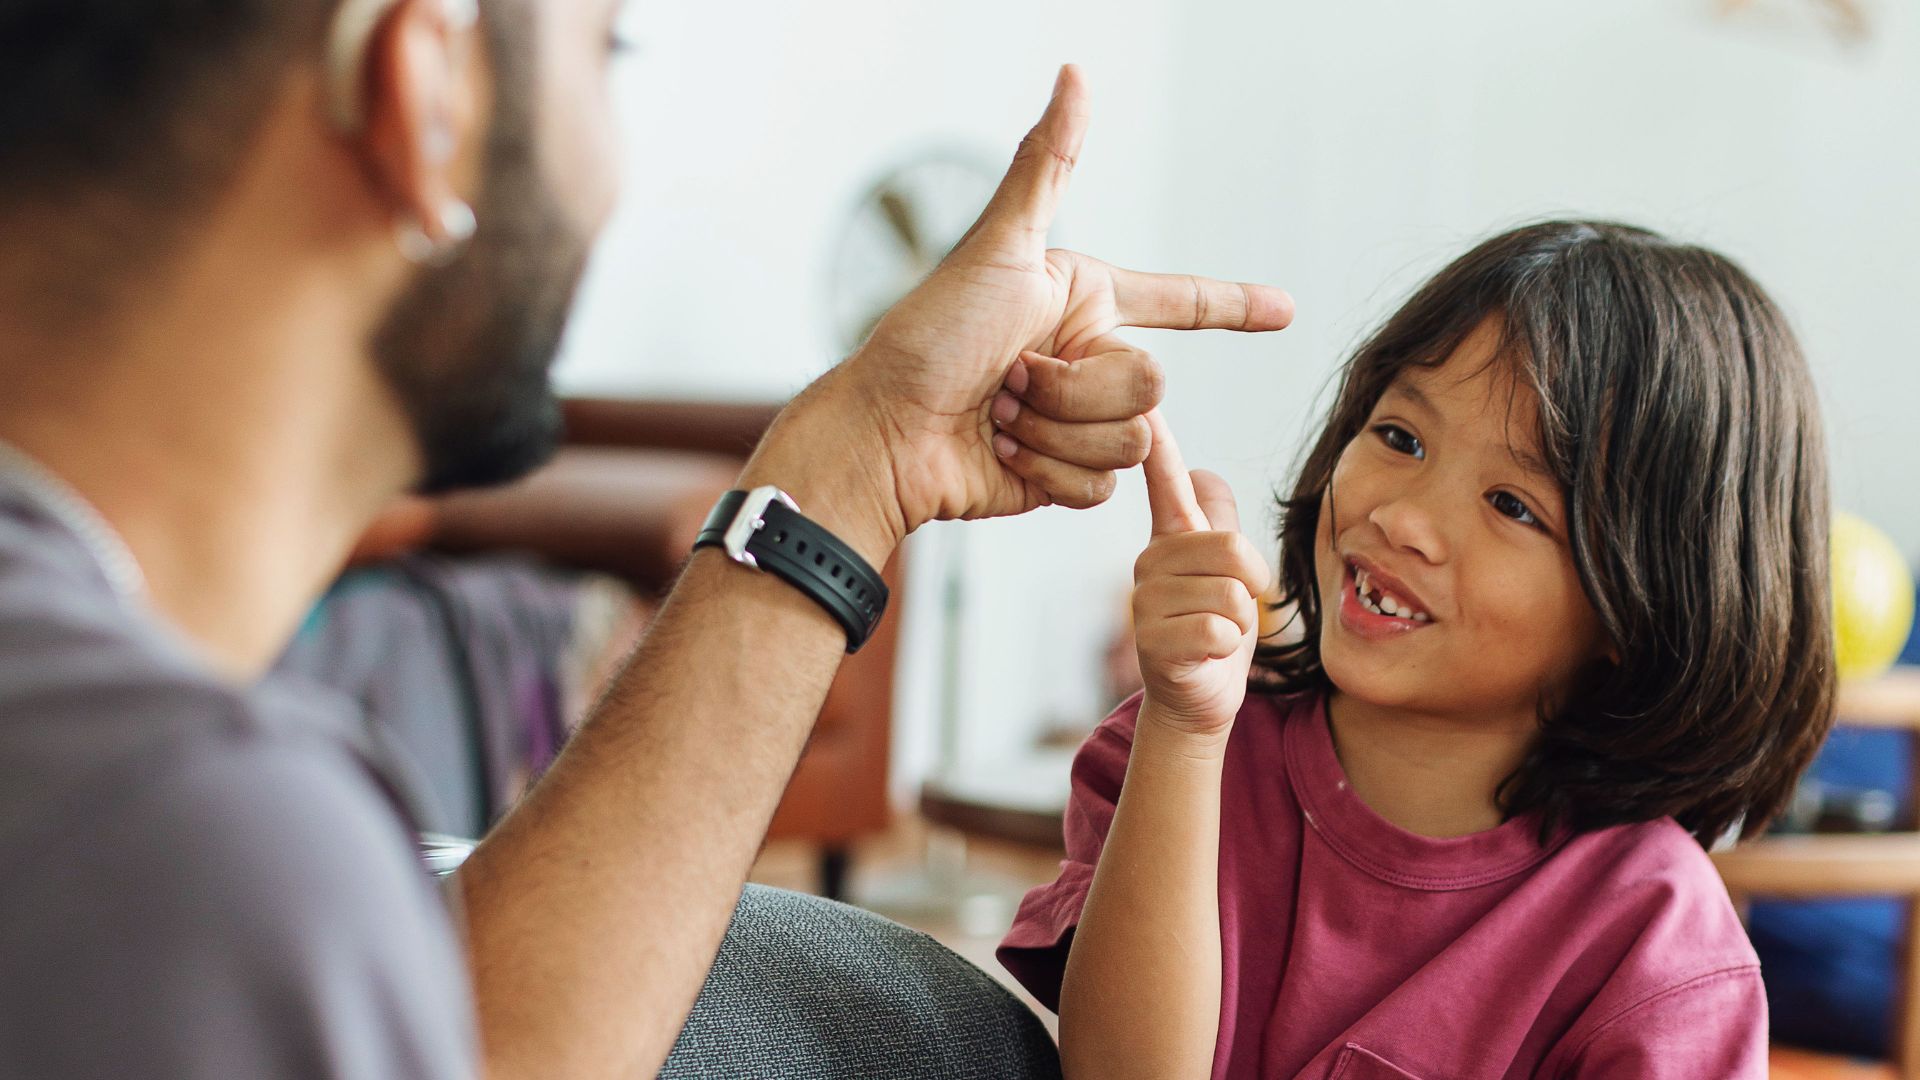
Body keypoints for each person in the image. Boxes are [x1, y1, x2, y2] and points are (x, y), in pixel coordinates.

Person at [0, 0, 1295, 1076]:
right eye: (603, 52)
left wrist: (864, 453)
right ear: (421, 85)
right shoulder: (197, 840)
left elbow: (496, 1050)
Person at [999, 221, 1835, 1078]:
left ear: (1645, 608)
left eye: (1512, 504)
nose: (1403, 518)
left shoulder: (1658, 943)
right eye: (1401, 438)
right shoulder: (1179, 757)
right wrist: (1183, 730)